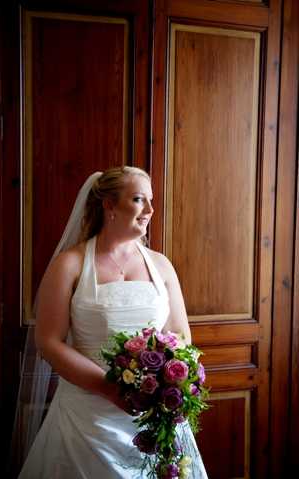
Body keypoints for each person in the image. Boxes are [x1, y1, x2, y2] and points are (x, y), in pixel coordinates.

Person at [17, 166, 208, 479]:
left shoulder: (161, 266)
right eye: (138, 199)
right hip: (87, 420)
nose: (149, 209)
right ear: (108, 205)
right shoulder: (70, 265)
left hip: (153, 411)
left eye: (150, 200)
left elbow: (180, 333)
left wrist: (163, 384)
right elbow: (48, 343)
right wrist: (110, 390)